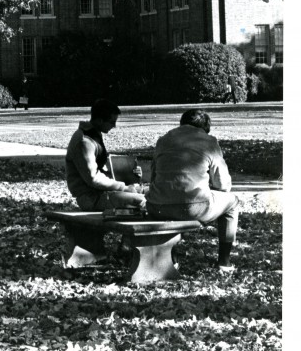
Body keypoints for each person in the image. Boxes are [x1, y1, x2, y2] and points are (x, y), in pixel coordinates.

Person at [146, 109, 240, 271]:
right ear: (205, 128)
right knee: (233, 203)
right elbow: (223, 185)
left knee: (173, 198)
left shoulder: (163, 140)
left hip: (157, 206)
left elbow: (154, 177)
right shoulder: (209, 141)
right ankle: (224, 261)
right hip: (194, 207)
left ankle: (172, 258)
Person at [65, 98, 147, 214]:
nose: (114, 126)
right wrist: (124, 188)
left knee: (152, 192)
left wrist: (130, 174)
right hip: (91, 198)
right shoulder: (84, 142)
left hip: (102, 192)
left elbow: (102, 169)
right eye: (111, 122)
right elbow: (93, 179)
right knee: (143, 201)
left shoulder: (94, 134)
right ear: (99, 120)